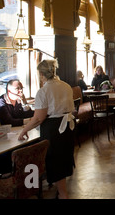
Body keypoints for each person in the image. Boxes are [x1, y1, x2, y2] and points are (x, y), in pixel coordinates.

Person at [18, 59, 75, 199]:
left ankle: (63, 194)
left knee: (55, 161)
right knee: (63, 158)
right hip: (67, 127)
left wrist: (24, 130)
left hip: (54, 129)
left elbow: (38, 118)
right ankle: (62, 191)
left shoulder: (43, 91)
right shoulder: (66, 86)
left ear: (42, 75)